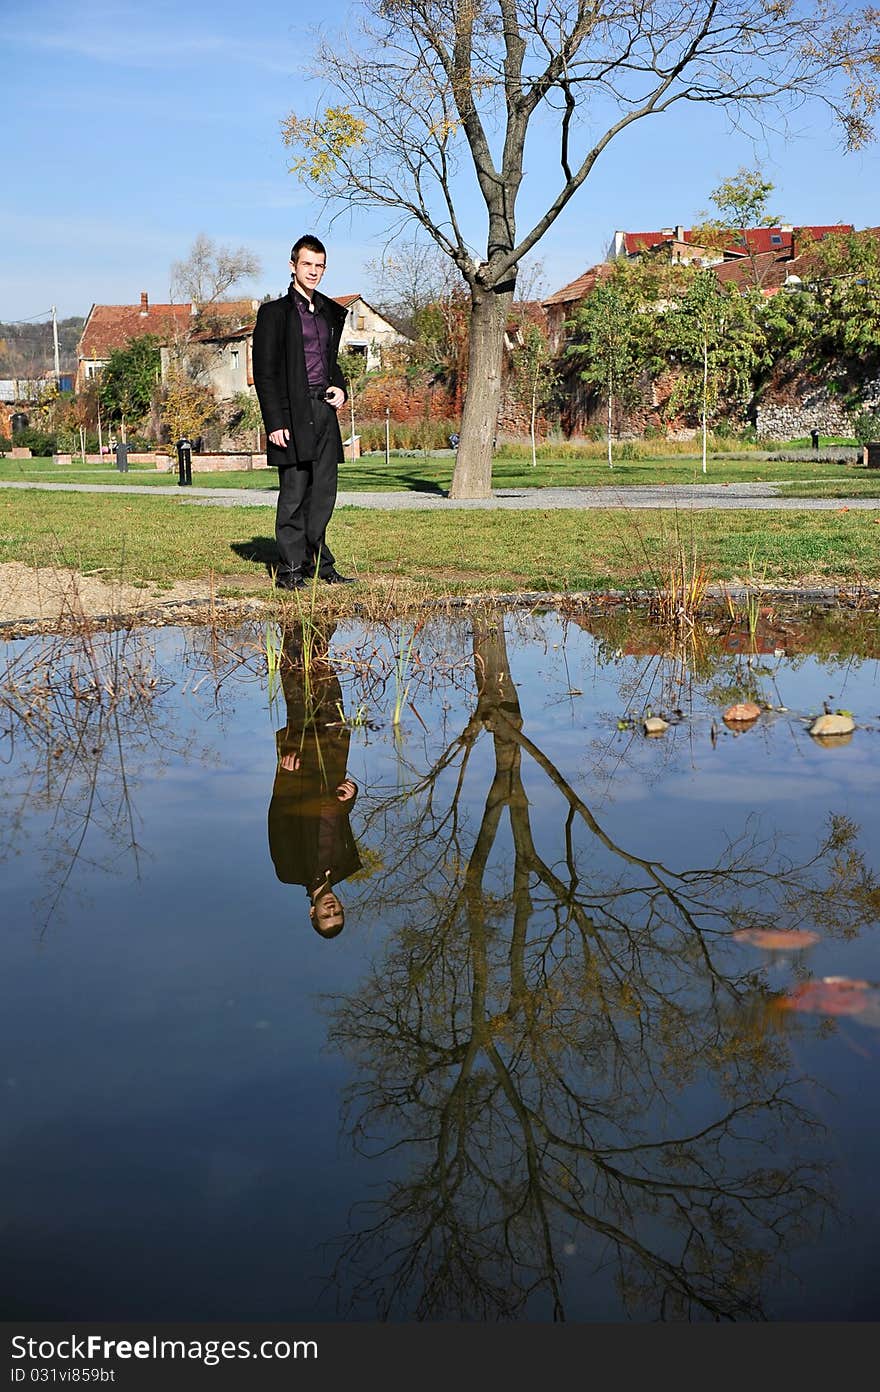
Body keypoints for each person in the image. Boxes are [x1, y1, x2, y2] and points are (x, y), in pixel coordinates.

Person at [252, 234, 355, 590]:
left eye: (319, 265)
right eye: (307, 264)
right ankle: (292, 568)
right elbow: (264, 373)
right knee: (295, 493)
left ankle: (320, 564)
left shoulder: (328, 312)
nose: (313, 271)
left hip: (323, 411)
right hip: (291, 414)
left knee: (323, 493)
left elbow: (331, 361)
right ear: (293, 266)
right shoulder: (274, 314)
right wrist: (275, 422)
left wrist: (340, 387)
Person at [267, 622, 361, 938]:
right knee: (330, 692)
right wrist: (350, 797)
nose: (332, 909)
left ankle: (294, 627)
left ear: (312, 912)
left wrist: (284, 777)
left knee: (298, 699)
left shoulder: (289, 872)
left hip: (301, 774)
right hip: (333, 767)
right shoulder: (348, 865)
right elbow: (340, 818)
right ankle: (320, 626)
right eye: (337, 913)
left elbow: (278, 820)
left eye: (325, 914)